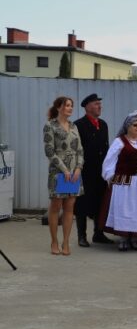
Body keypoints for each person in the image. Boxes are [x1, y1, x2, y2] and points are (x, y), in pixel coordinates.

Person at [101, 113, 137, 251]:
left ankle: (135, 239)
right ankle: (124, 238)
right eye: (135, 125)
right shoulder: (119, 141)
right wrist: (109, 176)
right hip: (126, 183)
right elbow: (109, 161)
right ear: (127, 127)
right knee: (126, 210)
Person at [43, 97, 84, 256]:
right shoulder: (50, 126)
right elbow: (49, 152)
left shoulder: (74, 126)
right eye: (67, 105)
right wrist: (64, 170)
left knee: (70, 207)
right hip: (58, 172)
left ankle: (66, 242)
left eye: (71, 106)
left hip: (74, 173)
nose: (70, 108)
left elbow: (80, 149)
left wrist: (78, 168)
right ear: (59, 107)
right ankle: (54, 241)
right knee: (56, 206)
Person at [74, 93, 112, 247]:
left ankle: (99, 233)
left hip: (100, 171)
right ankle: (81, 236)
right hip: (85, 170)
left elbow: (106, 147)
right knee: (82, 204)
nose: (99, 106)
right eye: (96, 104)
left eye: (99, 104)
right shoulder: (78, 125)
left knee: (100, 201)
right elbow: (77, 150)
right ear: (88, 107)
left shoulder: (103, 124)